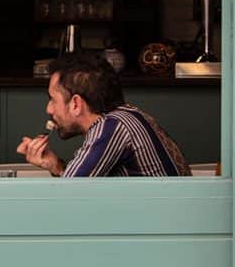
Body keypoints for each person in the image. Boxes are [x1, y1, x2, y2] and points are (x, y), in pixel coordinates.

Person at [17, 53, 191, 177]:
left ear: (76, 104)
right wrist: (56, 166)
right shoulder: (128, 116)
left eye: (53, 99)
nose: (49, 109)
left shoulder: (111, 127)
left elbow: (66, 199)